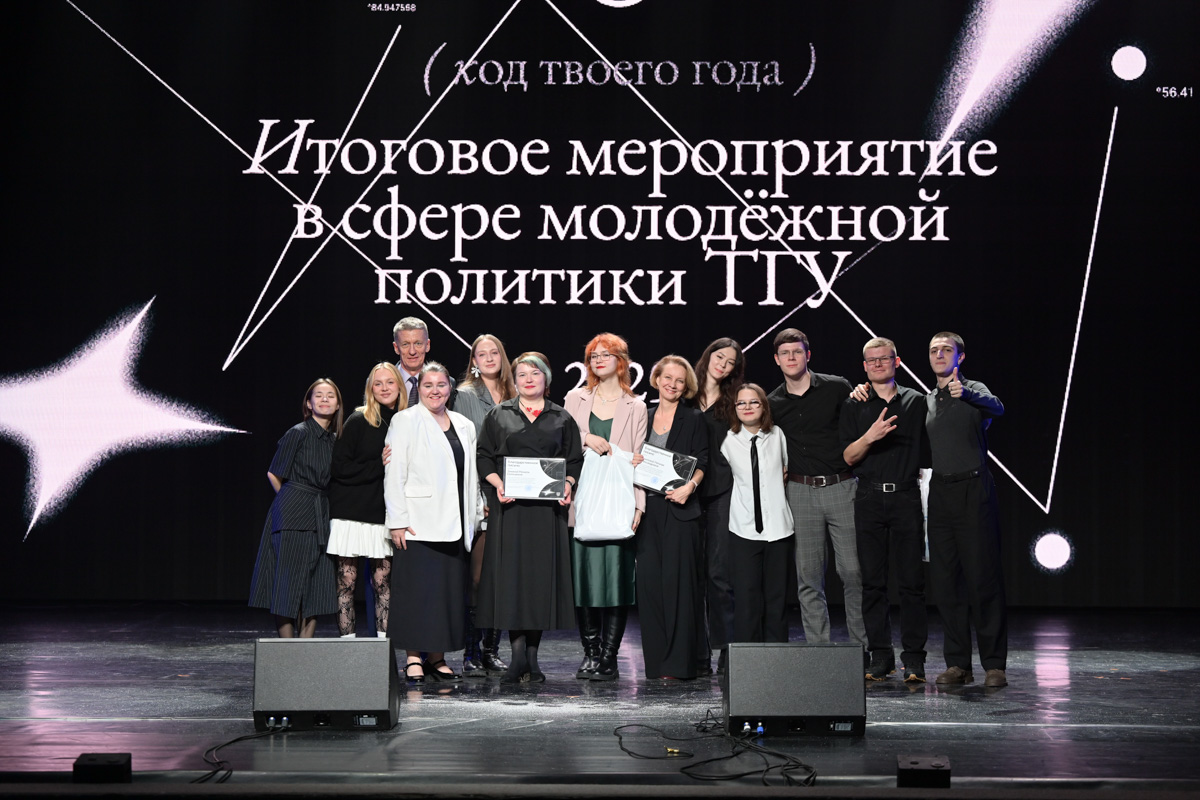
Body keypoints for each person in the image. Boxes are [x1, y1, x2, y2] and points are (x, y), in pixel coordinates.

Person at [477, 352, 583, 683]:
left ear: (545, 379)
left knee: (538, 583)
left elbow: (574, 461)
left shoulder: (561, 417)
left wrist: (568, 484)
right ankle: (517, 657)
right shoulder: (499, 414)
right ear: (515, 380)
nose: (528, 379)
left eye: (534, 374)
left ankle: (533, 660)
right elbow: (484, 457)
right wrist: (498, 484)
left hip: (546, 513)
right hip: (510, 511)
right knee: (512, 582)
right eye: (521, 374)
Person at [767, 329, 866, 656]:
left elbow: (859, 424)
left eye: (797, 352)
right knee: (809, 577)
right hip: (799, 491)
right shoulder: (772, 402)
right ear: (777, 359)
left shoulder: (837, 387)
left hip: (841, 486)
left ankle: (862, 649)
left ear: (807, 355)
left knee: (853, 572)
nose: (791, 358)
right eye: (785, 353)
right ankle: (819, 652)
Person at [384, 362, 483, 683]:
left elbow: (470, 474)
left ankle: (437, 657)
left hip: (455, 522)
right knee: (416, 593)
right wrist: (397, 520)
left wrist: (476, 512)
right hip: (418, 522)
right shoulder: (405, 420)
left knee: (446, 595)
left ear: (450, 388)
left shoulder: (464, 424)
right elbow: (394, 472)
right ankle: (414, 657)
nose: (435, 391)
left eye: (441, 385)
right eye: (428, 385)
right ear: (419, 389)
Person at [840, 338, 929, 682]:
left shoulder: (916, 401)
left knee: (912, 582)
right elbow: (848, 457)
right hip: (869, 497)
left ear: (897, 361)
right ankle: (881, 656)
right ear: (864, 366)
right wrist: (871, 436)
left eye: (884, 358)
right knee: (872, 583)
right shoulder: (854, 403)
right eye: (871, 360)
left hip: (906, 495)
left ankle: (914, 659)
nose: (878, 364)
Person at [924, 333, 1008, 688]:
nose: (939, 355)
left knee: (983, 579)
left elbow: (998, 408)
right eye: (934, 350)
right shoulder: (929, 400)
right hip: (940, 492)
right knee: (946, 582)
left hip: (974, 489)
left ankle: (994, 665)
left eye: (947, 350)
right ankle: (958, 664)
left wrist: (969, 395)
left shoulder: (973, 390)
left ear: (960, 357)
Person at [564, 333, 648, 681]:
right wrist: (586, 437)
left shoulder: (636, 406)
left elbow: (638, 458)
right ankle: (590, 653)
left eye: (605, 355)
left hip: (618, 501)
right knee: (584, 580)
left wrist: (639, 505)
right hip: (582, 500)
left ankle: (610, 657)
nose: (597, 360)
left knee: (616, 581)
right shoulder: (576, 398)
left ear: (621, 361)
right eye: (592, 356)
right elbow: (562, 441)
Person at [249, 379, 344, 638]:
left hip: (320, 513)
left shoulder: (335, 440)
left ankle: (305, 647)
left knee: (317, 582)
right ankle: (287, 649)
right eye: (319, 395)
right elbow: (274, 473)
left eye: (330, 395)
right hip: (293, 512)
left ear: (337, 405)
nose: (324, 399)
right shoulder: (298, 433)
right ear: (309, 404)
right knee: (288, 582)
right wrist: (292, 501)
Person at [637, 355, 709, 680]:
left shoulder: (693, 418)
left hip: (680, 510)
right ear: (656, 379)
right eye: (668, 378)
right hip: (647, 511)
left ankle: (680, 665)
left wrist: (690, 487)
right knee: (650, 587)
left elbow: (703, 460)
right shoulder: (643, 415)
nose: (673, 385)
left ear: (686, 386)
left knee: (679, 588)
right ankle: (656, 664)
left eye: (680, 381)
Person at [327, 363, 406, 639]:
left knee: (383, 584)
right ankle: (348, 649)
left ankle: (382, 649)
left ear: (400, 386)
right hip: (350, 512)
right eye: (378, 383)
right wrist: (378, 465)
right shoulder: (359, 420)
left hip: (383, 514)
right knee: (346, 582)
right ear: (370, 389)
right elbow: (339, 467)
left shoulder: (408, 421)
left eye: (390, 382)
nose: (384, 388)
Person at [453, 334, 516, 675]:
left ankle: (491, 650)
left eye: (495, 352)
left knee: (502, 578)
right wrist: (478, 497)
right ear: (474, 361)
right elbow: (463, 449)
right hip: (480, 494)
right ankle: (471, 652)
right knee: (477, 578)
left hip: (513, 495)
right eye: (482, 354)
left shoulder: (516, 394)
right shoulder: (464, 395)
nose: (489, 358)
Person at [721, 384, 794, 643]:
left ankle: (777, 657)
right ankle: (747, 660)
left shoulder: (777, 435)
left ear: (764, 406)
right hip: (743, 529)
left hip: (779, 529)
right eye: (741, 403)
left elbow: (785, 471)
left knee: (777, 599)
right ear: (734, 408)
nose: (748, 407)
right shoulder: (727, 441)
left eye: (754, 402)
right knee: (746, 599)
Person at [691, 338, 743, 674]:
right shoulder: (685, 394)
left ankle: (725, 648)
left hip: (724, 491)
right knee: (692, 575)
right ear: (708, 356)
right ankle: (697, 652)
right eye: (719, 357)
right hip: (686, 492)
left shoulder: (735, 400)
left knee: (719, 573)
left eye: (730, 362)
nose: (722, 365)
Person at [393, 316, 456, 410]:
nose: (412, 351)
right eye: (405, 344)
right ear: (396, 348)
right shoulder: (381, 383)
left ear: (427, 345)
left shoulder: (447, 383)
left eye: (418, 343)